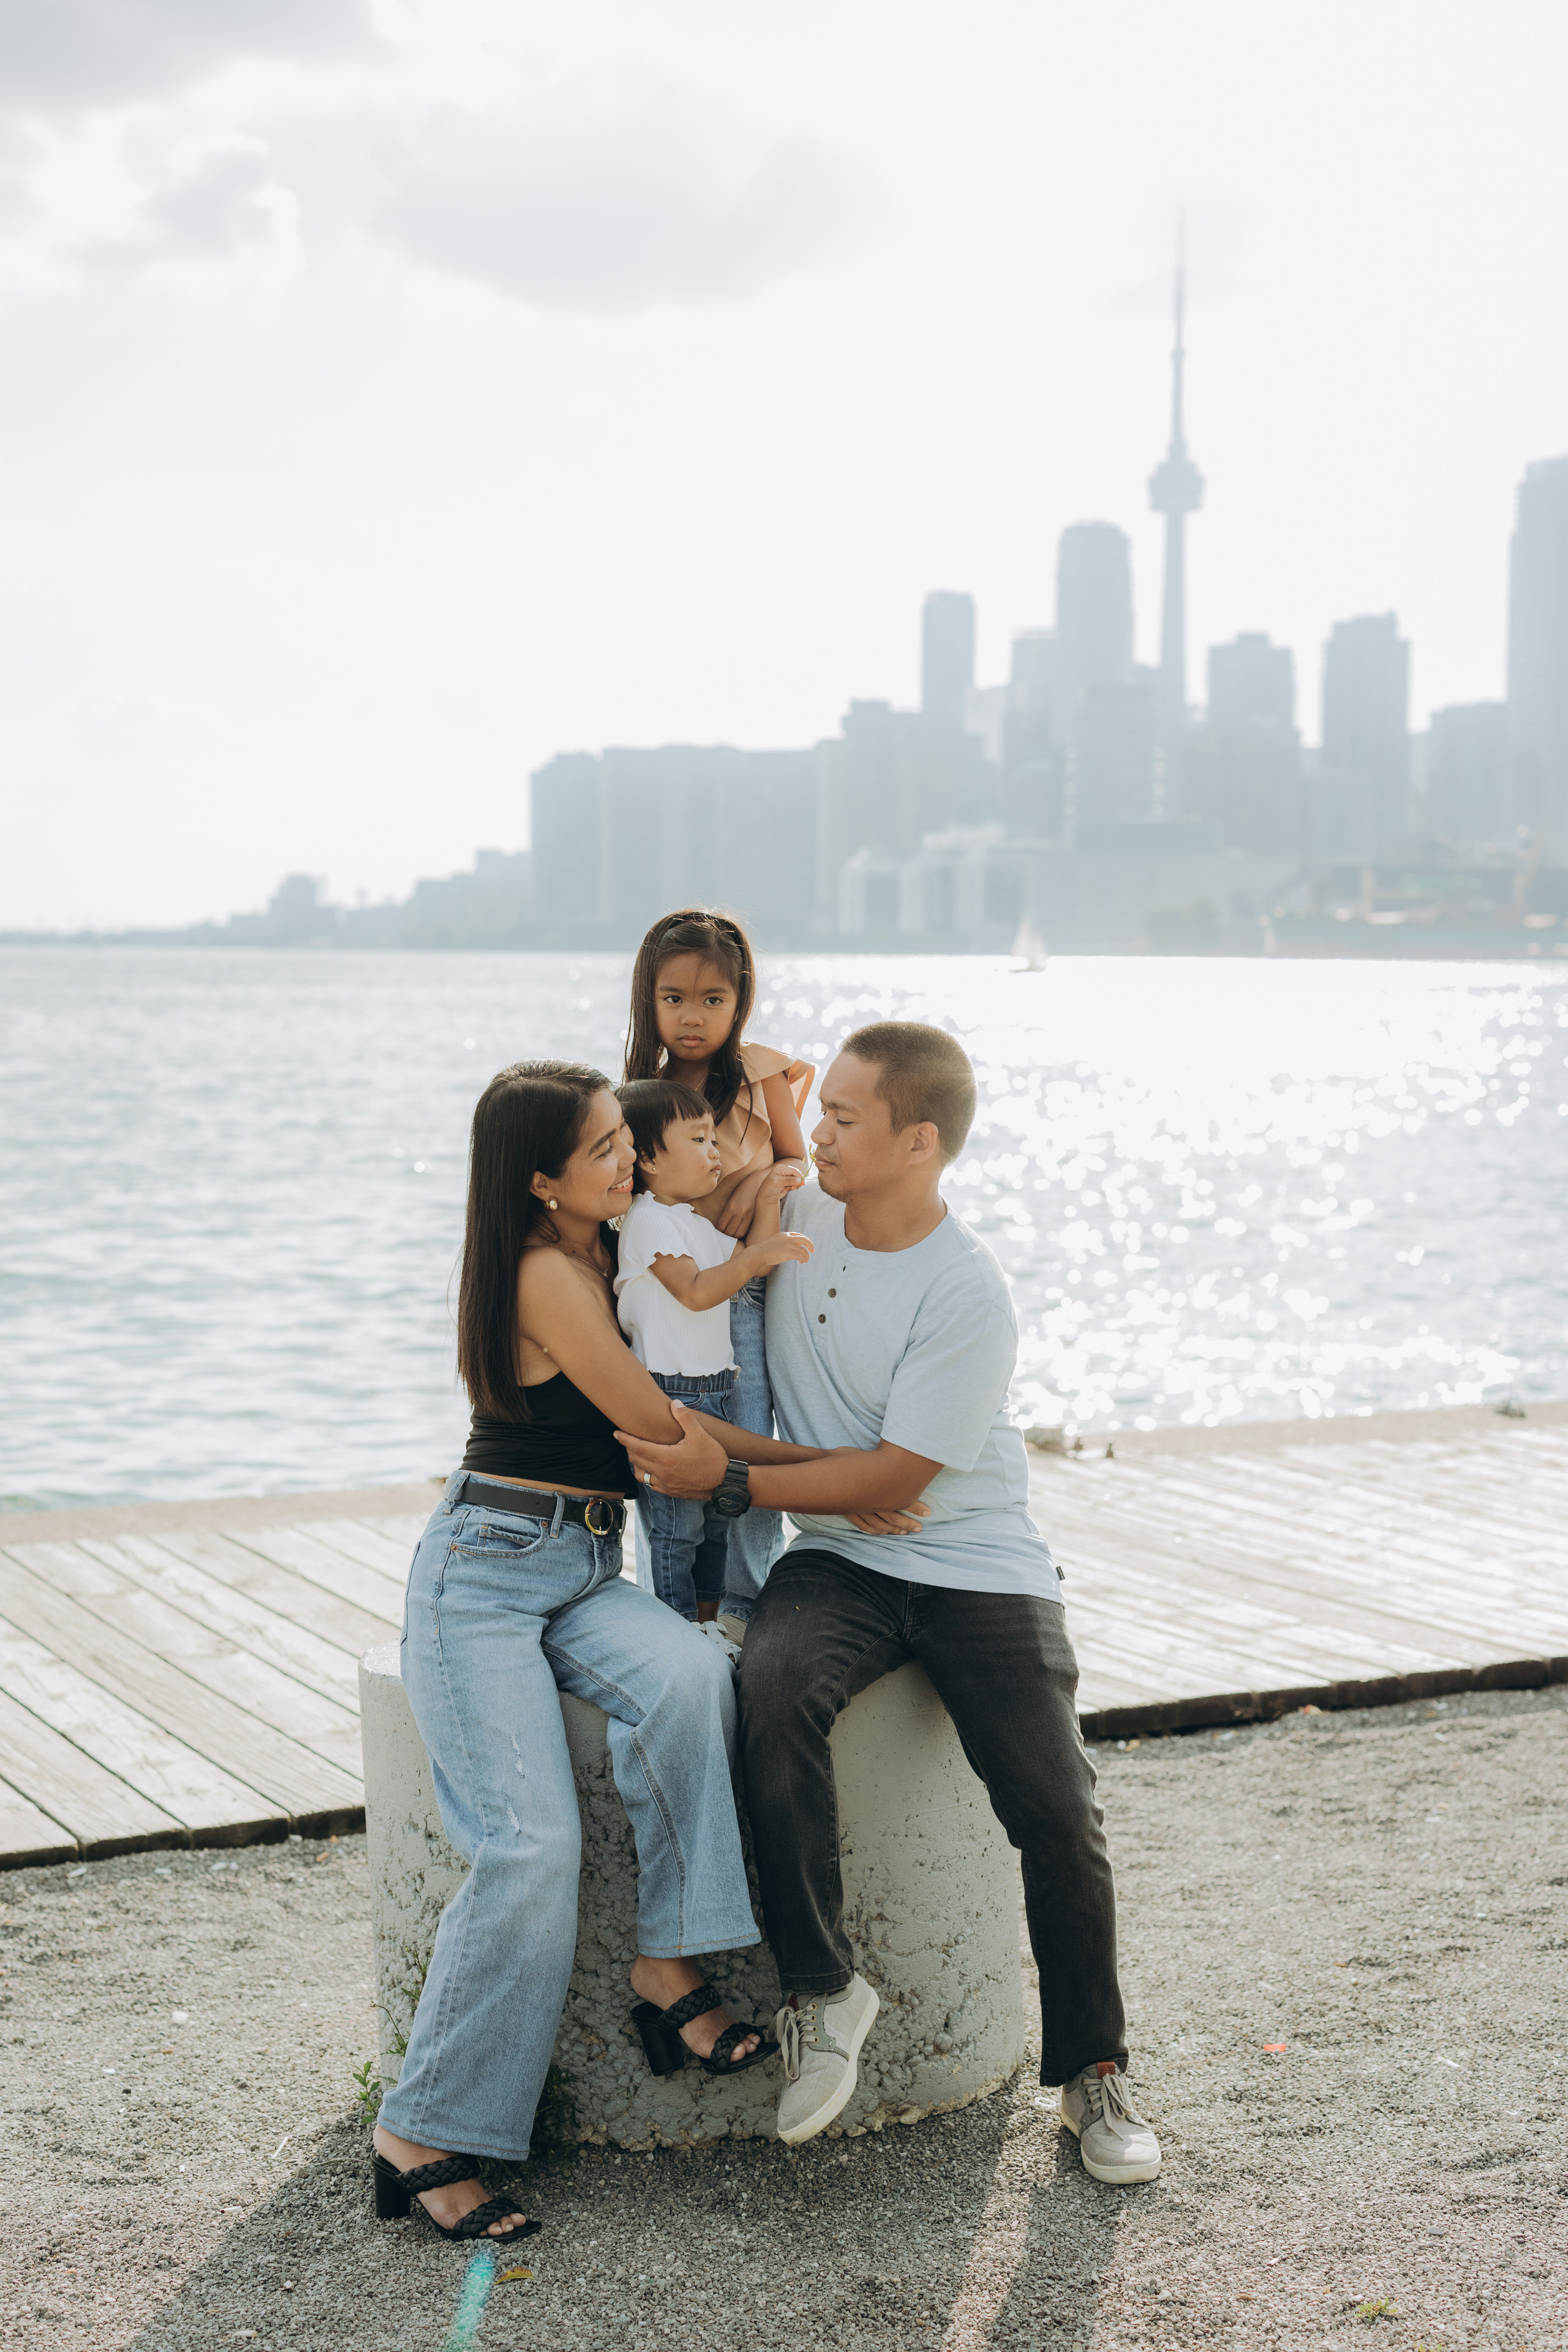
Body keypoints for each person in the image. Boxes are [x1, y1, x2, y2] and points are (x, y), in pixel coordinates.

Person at [616, 1022, 1162, 2184]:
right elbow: (668, 1197)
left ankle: (1094, 2074)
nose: (820, 1137)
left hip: (975, 1560)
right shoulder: (794, 1221)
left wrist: (736, 1474)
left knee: (1057, 1804)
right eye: (825, 1115)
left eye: (846, 1120)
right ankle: (823, 1989)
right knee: (769, 1687)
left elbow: (901, 1480)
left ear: (921, 1143)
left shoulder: (968, 1289)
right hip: (841, 1555)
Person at [371, 1061, 782, 2245]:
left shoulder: (610, 1250)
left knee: (695, 1677)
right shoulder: (549, 1272)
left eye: (626, 1142)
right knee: (529, 1845)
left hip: (583, 1570)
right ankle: (420, 2127)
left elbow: (739, 1188)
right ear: (542, 1180)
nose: (629, 1161)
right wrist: (831, 1479)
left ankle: (667, 1966)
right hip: (486, 1578)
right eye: (605, 1148)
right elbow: (658, 1427)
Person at [622, 908, 813, 1632]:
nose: (692, 1018)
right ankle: (674, 1611)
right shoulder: (642, 1091)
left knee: (746, 1440)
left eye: (713, 1000)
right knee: (675, 1460)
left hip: (750, 1291)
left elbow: (798, 1160)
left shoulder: (760, 1074)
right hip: (677, 1302)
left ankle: (743, 1607)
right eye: (673, 1000)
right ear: (649, 1000)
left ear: (740, 1000)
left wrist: (743, 1186)